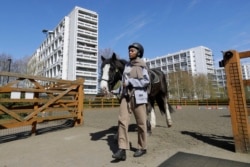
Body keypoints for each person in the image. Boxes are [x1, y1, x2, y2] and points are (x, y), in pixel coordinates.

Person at [112, 42, 150, 161]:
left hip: (138, 97)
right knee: (122, 121)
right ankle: (122, 149)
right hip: (125, 97)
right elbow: (124, 83)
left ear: (138, 53)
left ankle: (142, 147)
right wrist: (116, 90)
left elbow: (145, 81)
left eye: (132, 50)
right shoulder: (127, 66)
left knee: (141, 123)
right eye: (129, 50)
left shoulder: (142, 65)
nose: (130, 52)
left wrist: (131, 82)